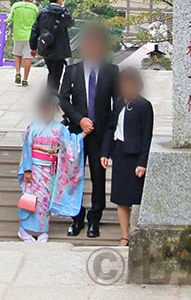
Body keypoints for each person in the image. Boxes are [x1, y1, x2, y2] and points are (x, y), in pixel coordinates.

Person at [58, 24, 118, 238]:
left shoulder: (112, 71)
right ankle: (76, 218)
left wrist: (110, 137)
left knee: (99, 177)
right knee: (74, 176)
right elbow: (63, 100)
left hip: (101, 134)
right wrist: (80, 119)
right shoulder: (72, 70)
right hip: (77, 134)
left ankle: (95, 219)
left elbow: (116, 105)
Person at [17, 91, 85, 242]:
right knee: (32, 199)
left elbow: (70, 144)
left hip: (51, 169)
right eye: (45, 108)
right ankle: (24, 229)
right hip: (35, 168)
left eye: (51, 109)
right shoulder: (33, 127)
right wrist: (27, 169)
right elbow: (27, 149)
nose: (48, 112)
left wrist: (81, 137)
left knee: (45, 201)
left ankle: (42, 230)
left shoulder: (59, 129)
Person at [102, 67, 154, 247]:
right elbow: (111, 128)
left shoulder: (143, 105)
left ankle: (137, 232)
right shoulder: (118, 102)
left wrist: (143, 162)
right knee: (121, 198)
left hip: (135, 155)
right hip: (120, 153)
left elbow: (147, 135)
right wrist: (105, 152)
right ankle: (125, 235)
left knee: (135, 197)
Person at [29, 0, 74, 90]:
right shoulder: (64, 14)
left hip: (46, 47)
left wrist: (33, 47)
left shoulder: (42, 13)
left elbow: (34, 30)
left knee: (51, 72)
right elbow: (71, 23)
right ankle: (52, 97)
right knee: (56, 74)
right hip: (60, 49)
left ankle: (51, 96)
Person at [7, 0, 39, 87]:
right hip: (30, 36)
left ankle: (17, 72)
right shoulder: (34, 8)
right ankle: (25, 79)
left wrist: (5, 21)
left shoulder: (16, 6)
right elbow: (37, 22)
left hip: (18, 35)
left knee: (17, 55)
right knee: (28, 58)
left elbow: (9, 19)